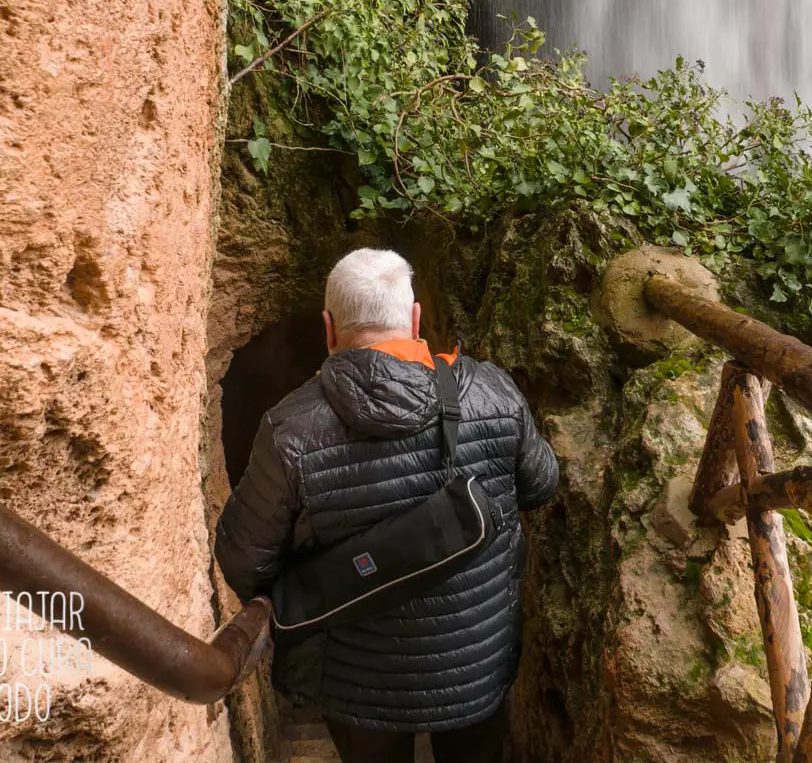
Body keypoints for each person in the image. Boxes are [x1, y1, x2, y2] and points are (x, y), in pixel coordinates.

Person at [215, 248, 559, 763]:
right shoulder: (494, 393)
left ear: (328, 327)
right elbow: (541, 485)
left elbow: (244, 558)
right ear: (415, 319)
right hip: (475, 667)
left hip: (357, 684)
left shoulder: (290, 430)